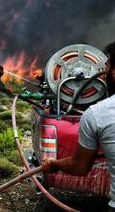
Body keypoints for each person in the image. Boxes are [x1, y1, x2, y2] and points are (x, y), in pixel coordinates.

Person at [43, 43, 115, 211]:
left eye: (107, 65)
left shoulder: (97, 114)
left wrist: (55, 164)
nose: (102, 73)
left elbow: (79, 166)